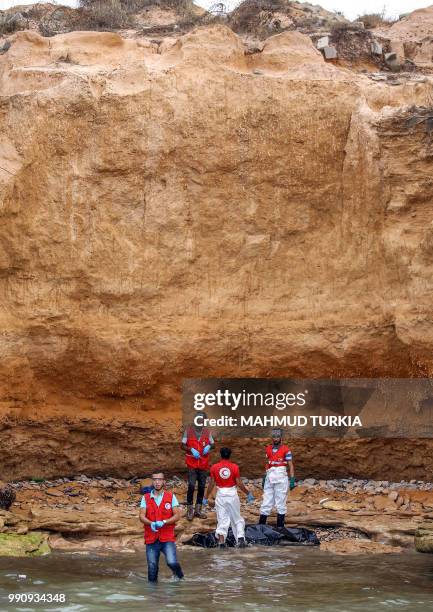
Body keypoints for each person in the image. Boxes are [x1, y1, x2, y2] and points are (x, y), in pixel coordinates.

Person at [203, 447, 255, 548]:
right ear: (230, 455)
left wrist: (205, 496)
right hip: (232, 494)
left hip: (221, 494)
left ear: (220, 455)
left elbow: (211, 484)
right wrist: (248, 493)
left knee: (222, 519)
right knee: (237, 518)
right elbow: (239, 483)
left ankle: (222, 543)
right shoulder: (234, 467)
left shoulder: (214, 467)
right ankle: (240, 539)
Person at [139, 472, 184, 583]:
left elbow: (177, 515)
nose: (157, 482)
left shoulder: (171, 496)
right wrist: (151, 523)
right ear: (152, 482)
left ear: (164, 481)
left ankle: (180, 578)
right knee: (152, 569)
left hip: (167, 538)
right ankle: (153, 595)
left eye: (160, 480)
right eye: (155, 480)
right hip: (151, 538)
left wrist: (164, 521)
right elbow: (141, 516)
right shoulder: (146, 497)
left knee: (172, 562)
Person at [181, 412, 215, 520]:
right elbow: (182, 445)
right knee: (191, 485)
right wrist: (191, 449)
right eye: (199, 420)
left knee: (201, 486)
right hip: (192, 463)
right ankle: (190, 509)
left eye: (203, 420)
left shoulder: (207, 432)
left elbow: (213, 444)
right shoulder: (189, 431)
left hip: (203, 464)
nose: (201, 422)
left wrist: (209, 446)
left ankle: (198, 510)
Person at [259, 428, 295, 528]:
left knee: (280, 502)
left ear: (281, 437)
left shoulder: (286, 449)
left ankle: (280, 528)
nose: (275, 439)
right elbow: (267, 463)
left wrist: (292, 479)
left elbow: (290, 465)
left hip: (281, 476)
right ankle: (261, 528)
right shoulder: (268, 448)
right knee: (266, 501)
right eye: (274, 436)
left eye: (277, 436)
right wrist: (264, 476)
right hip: (270, 475)